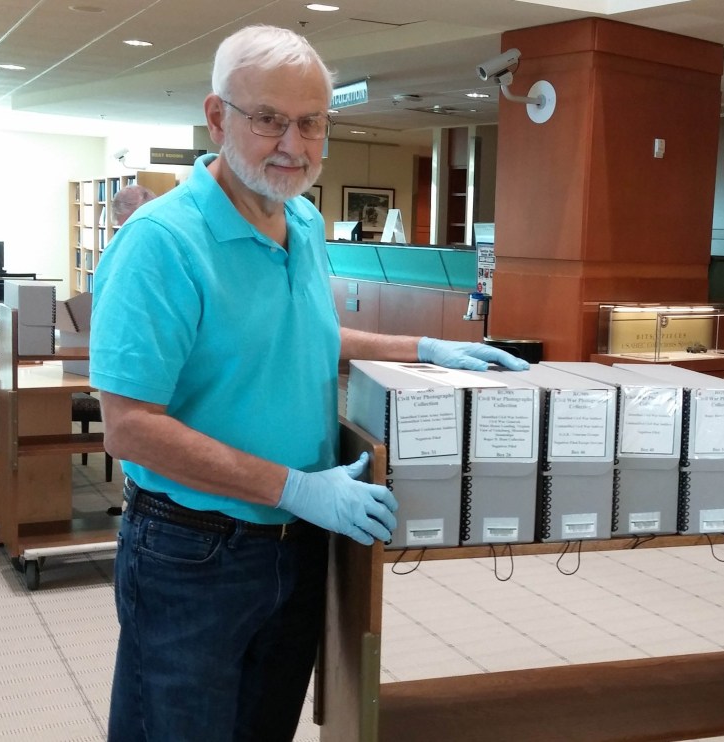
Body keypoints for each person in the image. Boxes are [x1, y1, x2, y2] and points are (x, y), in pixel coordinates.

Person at [89, 24, 528, 742]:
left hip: (298, 543)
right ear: (217, 117)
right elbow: (130, 426)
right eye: (268, 119)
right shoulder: (161, 243)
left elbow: (305, 334)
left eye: (312, 122)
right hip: (193, 550)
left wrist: (423, 349)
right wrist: (295, 487)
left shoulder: (302, 219)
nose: (293, 144)